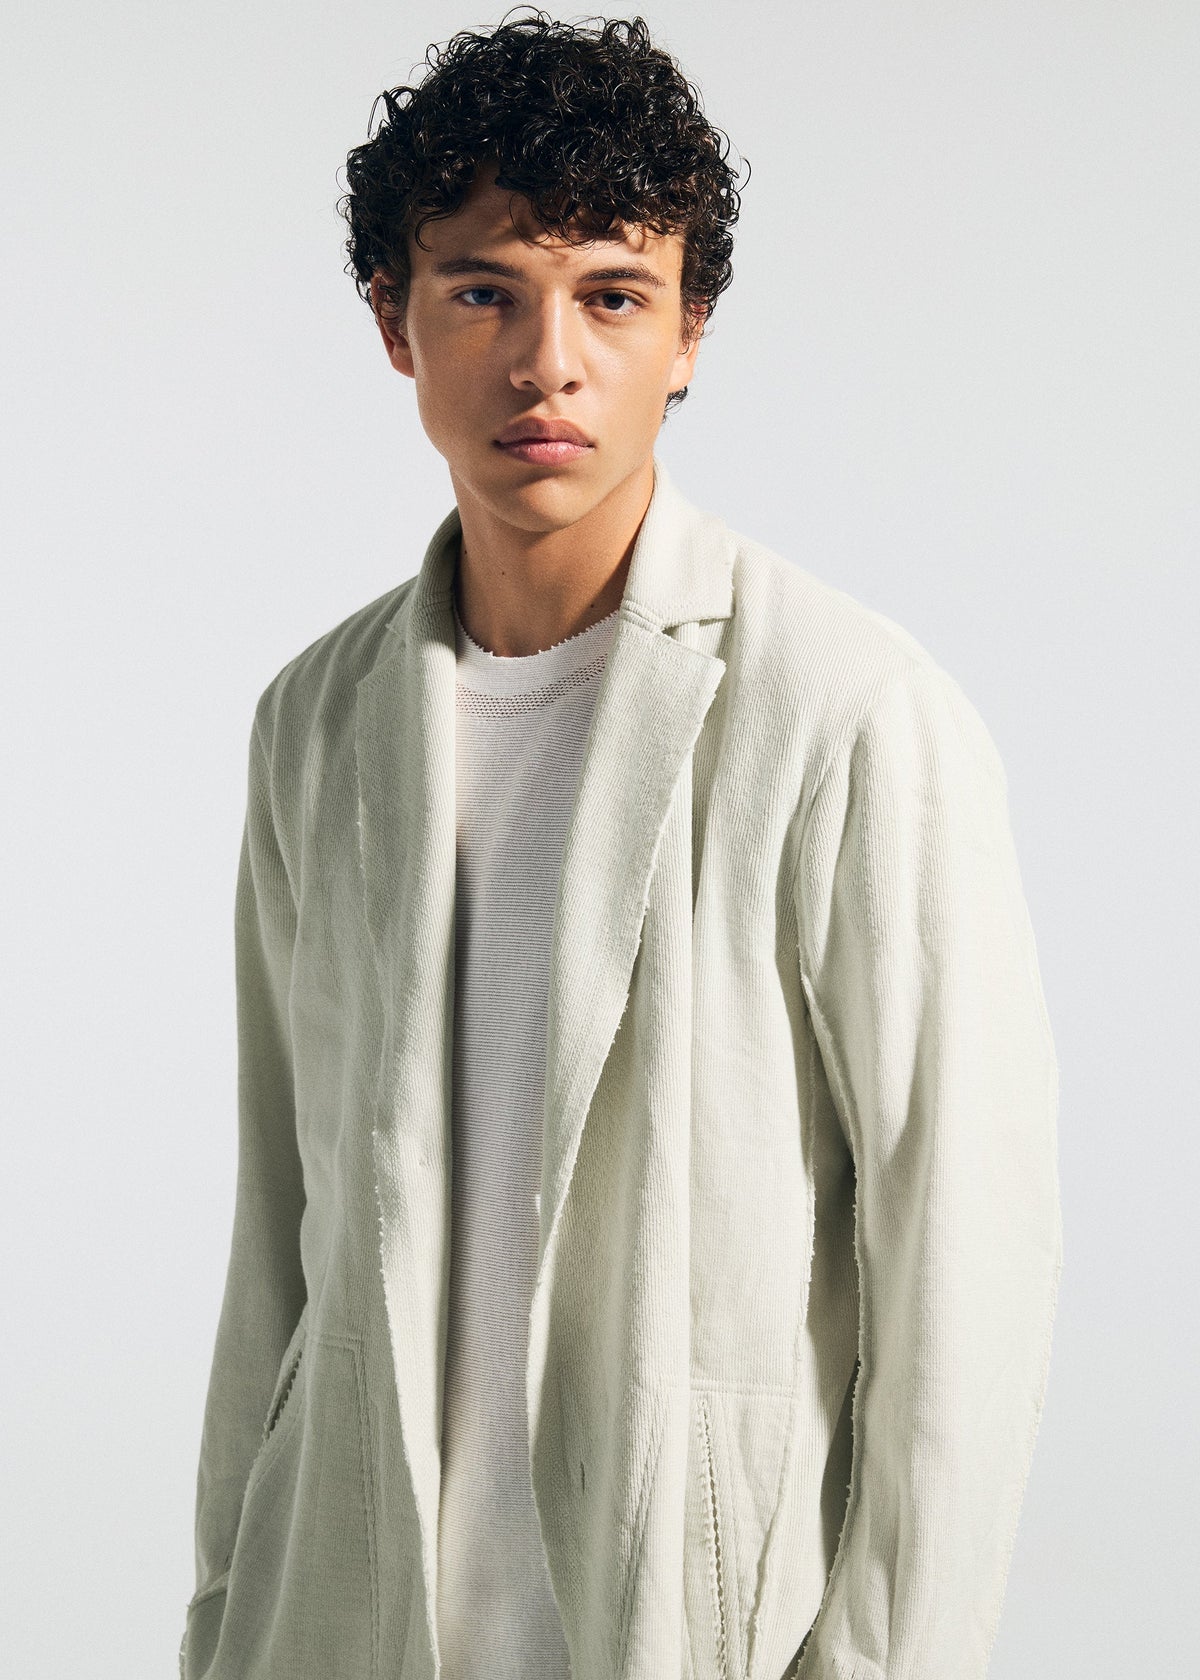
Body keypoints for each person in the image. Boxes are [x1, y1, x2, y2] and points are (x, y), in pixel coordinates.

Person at [179, 12, 1063, 1680]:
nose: (546, 365)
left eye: (611, 293)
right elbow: (276, 1234)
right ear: (395, 322)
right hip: (346, 1624)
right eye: (482, 291)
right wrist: (226, 1620)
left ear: (689, 334)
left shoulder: (850, 715)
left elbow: (967, 1271)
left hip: (676, 1624)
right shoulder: (314, 724)